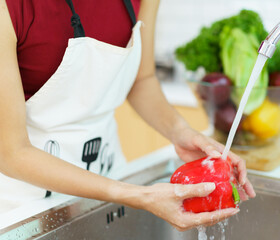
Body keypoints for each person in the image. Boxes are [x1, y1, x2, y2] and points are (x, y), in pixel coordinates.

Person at [0, 0, 255, 231]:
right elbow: (11, 153)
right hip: (25, 207)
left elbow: (141, 80)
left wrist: (181, 132)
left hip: (111, 177)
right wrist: (134, 195)